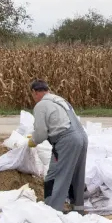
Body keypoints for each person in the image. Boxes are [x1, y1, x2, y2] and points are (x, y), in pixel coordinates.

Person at [29, 80, 88, 213]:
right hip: (82, 137)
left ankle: (52, 211)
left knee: (54, 176)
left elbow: (41, 134)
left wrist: (32, 141)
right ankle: (78, 210)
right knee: (76, 174)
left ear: (35, 92)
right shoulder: (60, 100)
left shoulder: (41, 105)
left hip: (66, 140)